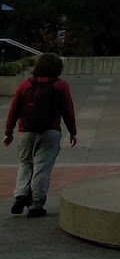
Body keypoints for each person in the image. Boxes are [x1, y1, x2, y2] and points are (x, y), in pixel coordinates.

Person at [6, 52, 78, 218]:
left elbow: (14, 110)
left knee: (25, 163)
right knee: (42, 167)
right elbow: (68, 110)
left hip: (26, 131)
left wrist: (8, 132)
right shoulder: (60, 86)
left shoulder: (25, 85)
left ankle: (21, 194)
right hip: (50, 132)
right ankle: (36, 204)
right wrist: (72, 132)